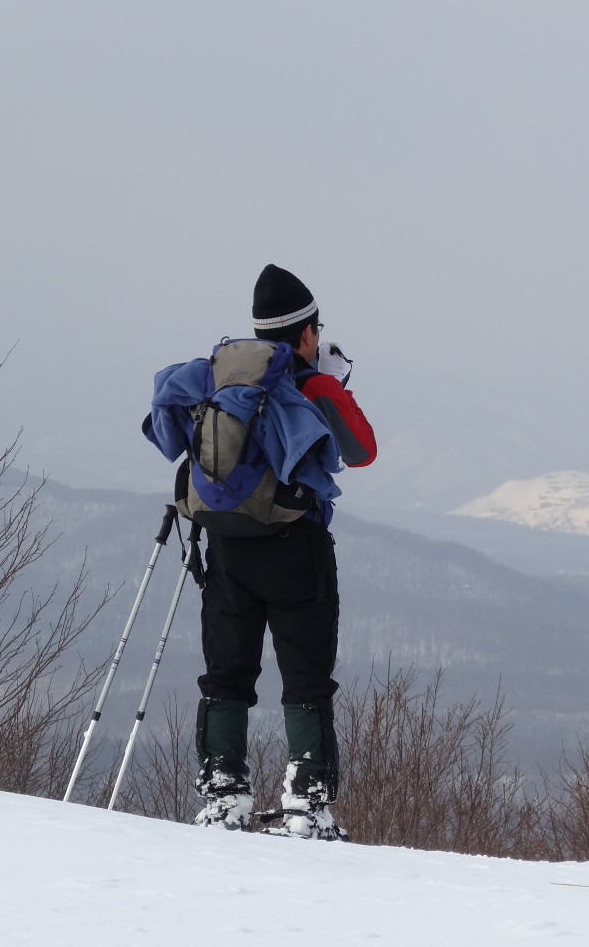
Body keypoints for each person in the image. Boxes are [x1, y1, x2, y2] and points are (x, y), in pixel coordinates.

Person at [192, 263, 376, 838]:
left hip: (226, 545)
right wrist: (332, 385)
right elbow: (362, 451)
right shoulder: (313, 384)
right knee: (305, 676)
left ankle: (223, 795)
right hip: (296, 549)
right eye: (316, 330)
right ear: (305, 333)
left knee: (226, 672)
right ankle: (307, 804)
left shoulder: (223, 382)